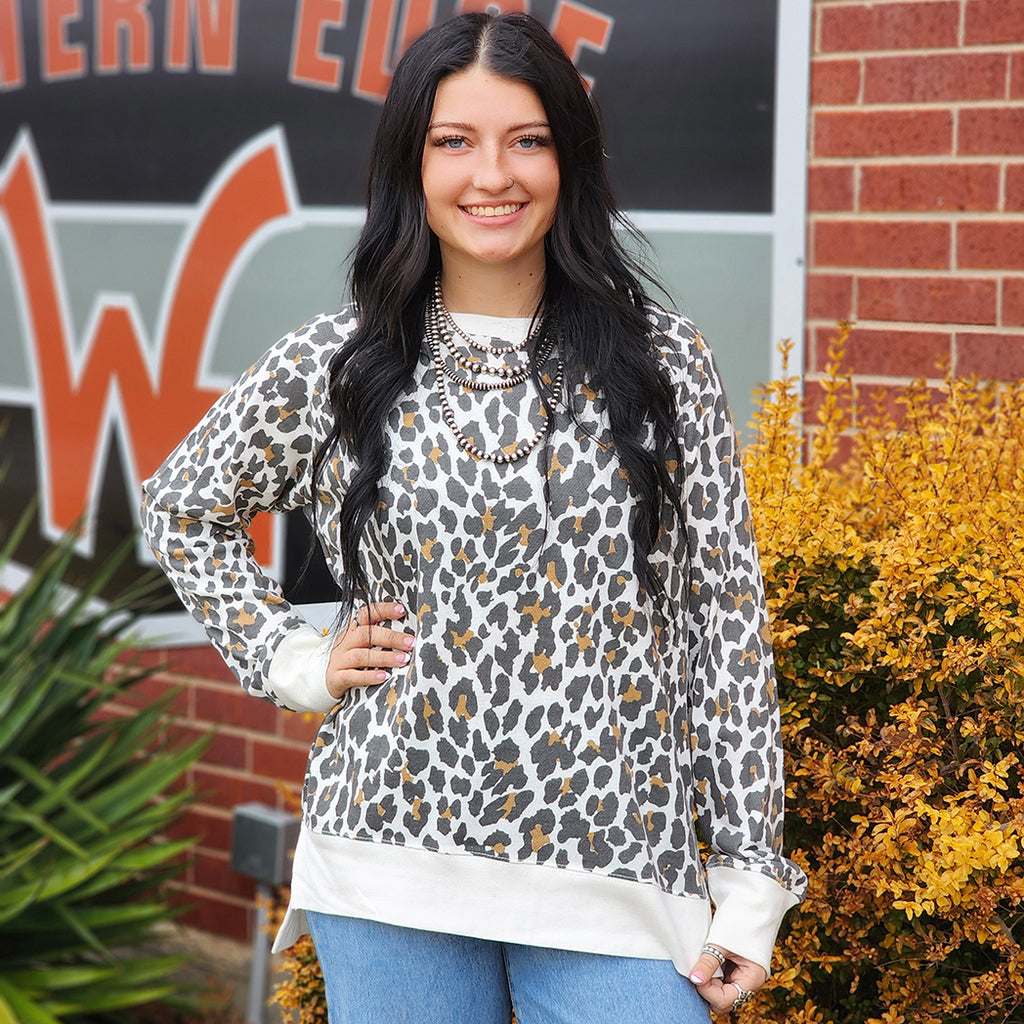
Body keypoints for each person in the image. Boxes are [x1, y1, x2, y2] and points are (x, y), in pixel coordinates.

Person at [142, 11, 806, 1023]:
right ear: (411, 164)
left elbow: (722, 621)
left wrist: (750, 878)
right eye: (453, 141)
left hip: (617, 872)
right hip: (388, 856)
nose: (489, 175)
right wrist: (291, 660)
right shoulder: (339, 361)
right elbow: (183, 505)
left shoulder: (662, 362)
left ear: (568, 161)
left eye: (525, 140)